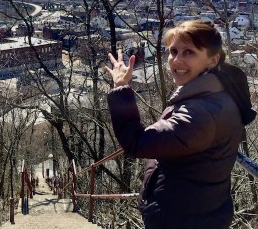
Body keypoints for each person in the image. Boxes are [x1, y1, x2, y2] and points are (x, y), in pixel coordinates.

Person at [104, 20, 256, 229]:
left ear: (212, 60)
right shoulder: (217, 93)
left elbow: (136, 142)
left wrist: (121, 88)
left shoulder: (199, 114)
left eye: (189, 52)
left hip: (180, 218)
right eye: (173, 51)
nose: (177, 60)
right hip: (202, 211)